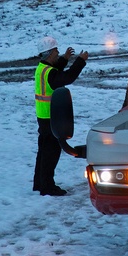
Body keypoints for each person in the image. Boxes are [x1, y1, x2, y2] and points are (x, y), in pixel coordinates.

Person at [33, 36, 88, 196]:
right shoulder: (49, 72)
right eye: (56, 51)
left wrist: (65, 58)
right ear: (49, 53)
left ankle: (39, 183)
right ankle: (47, 187)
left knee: (43, 151)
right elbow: (66, 78)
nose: (58, 53)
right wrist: (80, 61)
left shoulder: (42, 68)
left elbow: (55, 71)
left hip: (43, 117)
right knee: (51, 152)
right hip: (51, 118)